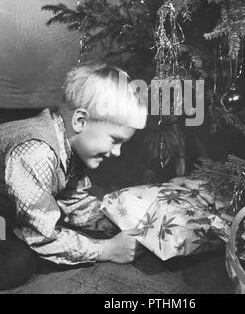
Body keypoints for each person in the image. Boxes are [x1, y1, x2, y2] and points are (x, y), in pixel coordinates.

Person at [0, 62, 148, 290]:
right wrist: (107, 250)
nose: (117, 152)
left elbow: (74, 201)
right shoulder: (36, 151)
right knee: (18, 262)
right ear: (80, 120)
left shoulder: (69, 142)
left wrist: (120, 222)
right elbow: (43, 237)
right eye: (114, 139)